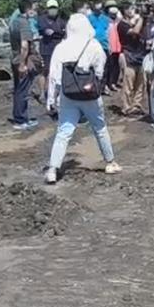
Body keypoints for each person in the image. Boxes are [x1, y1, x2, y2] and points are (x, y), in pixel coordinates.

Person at [43, 13, 121, 184]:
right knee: (99, 128)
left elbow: (54, 77)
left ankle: (52, 169)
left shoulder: (61, 47)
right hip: (89, 96)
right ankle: (110, 162)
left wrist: (51, 100)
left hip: (67, 95)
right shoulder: (94, 46)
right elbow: (100, 71)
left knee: (63, 132)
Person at [9, 0, 43, 130]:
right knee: (23, 90)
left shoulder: (14, 21)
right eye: (34, 7)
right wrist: (23, 64)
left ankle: (20, 117)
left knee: (19, 89)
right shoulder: (24, 23)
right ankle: (20, 120)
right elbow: (24, 46)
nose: (35, 10)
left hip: (15, 57)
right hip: (22, 59)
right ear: (29, 8)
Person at [118, 2, 147, 116]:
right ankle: (126, 107)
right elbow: (135, 31)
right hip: (129, 55)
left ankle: (136, 105)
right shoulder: (122, 25)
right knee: (128, 82)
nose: (131, 11)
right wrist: (142, 18)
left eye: (132, 9)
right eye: (128, 9)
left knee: (140, 83)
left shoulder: (136, 22)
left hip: (140, 54)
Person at [37, 0, 67, 101]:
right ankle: (42, 93)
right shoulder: (42, 19)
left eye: (54, 8)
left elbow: (63, 32)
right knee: (44, 71)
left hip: (58, 49)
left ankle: (52, 93)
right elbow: (46, 31)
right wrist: (56, 32)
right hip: (46, 48)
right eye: (51, 8)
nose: (53, 10)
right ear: (47, 9)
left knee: (55, 72)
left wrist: (55, 32)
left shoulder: (61, 21)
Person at [103, 0, 122, 93]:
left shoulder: (118, 19)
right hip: (109, 46)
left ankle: (113, 82)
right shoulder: (106, 20)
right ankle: (107, 84)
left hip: (118, 46)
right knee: (108, 66)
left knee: (116, 66)